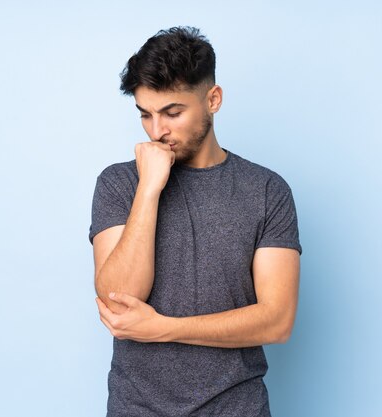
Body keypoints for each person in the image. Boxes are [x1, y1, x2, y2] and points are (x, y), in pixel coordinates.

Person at [89, 26, 302, 417]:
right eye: (146, 115)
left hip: (237, 408)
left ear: (213, 99)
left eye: (173, 112)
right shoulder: (120, 184)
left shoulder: (267, 190)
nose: (157, 131)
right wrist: (149, 189)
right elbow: (119, 298)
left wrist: (164, 328)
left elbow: (277, 320)